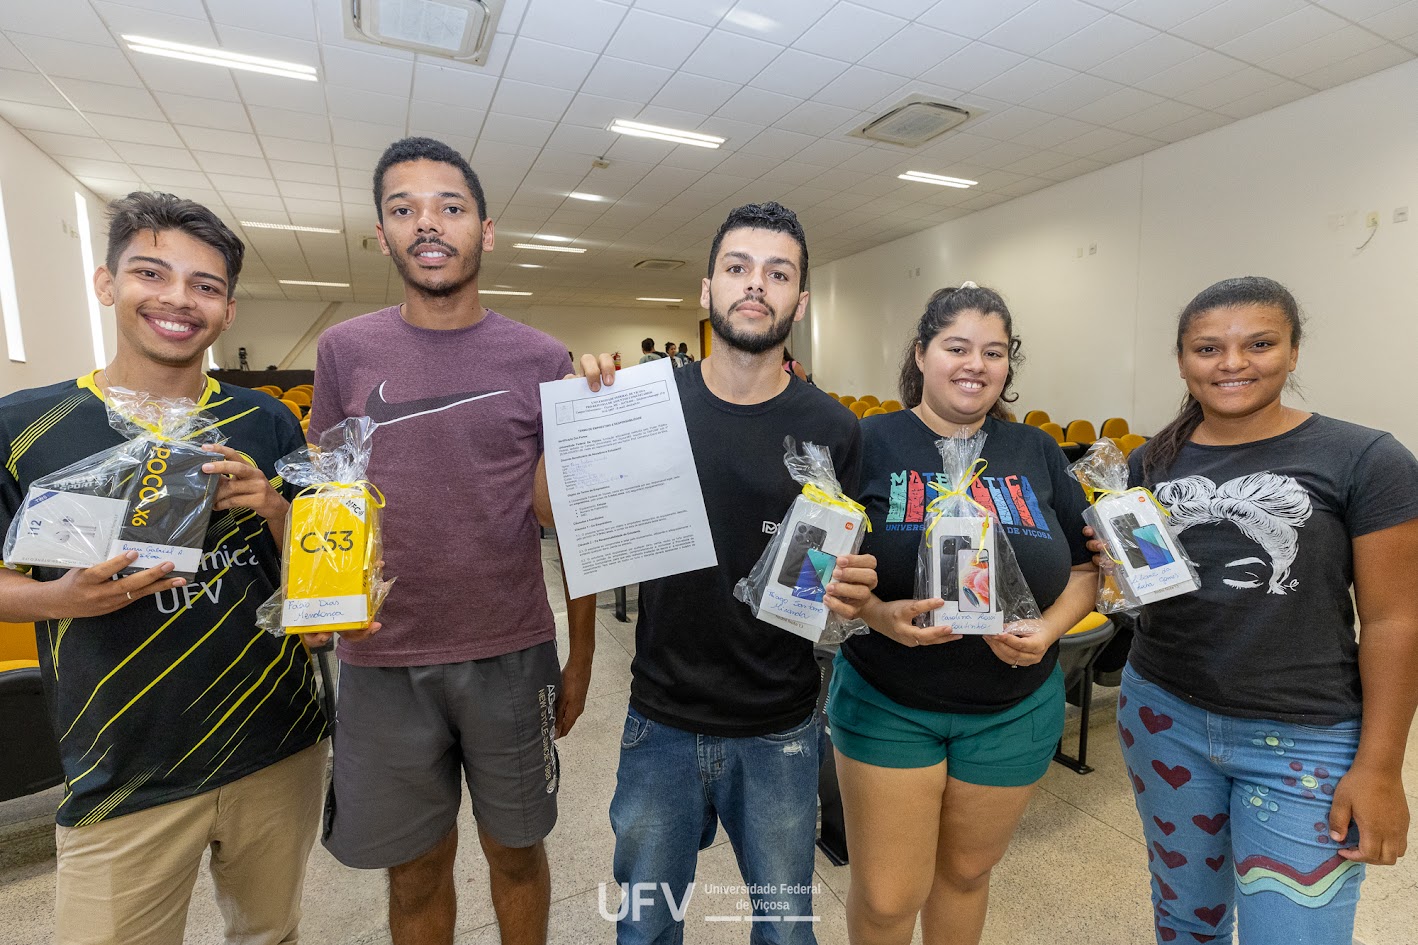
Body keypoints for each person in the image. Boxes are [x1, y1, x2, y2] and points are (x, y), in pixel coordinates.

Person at [0, 192, 329, 945]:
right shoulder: (24, 427)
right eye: (153, 273)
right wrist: (61, 597)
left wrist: (278, 508)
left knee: (270, 933)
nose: (179, 299)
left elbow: (316, 575)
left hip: (277, 743)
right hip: (123, 765)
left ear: (228, 310)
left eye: (205, 285)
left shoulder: (265, 420)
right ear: (107, 282)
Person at [307, 137, 596, 945]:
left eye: (450, 207)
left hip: (509, 652)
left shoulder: (541, 357)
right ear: (382, 233)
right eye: (404, 209)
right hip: (382, 658)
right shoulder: (346, 350)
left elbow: (576, 518)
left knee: (516, 854)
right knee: (417, 869)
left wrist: (582, 654)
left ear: (486, 230)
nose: (427, 224)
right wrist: (324, 609)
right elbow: (333, 497)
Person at [576, 201, 877, 942]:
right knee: (645, 929)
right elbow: (562, 516)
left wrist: (857, 590)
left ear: (799, 302)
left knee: (785, 930)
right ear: (706, 288)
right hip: (661, 718)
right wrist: (582, 414)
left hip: (780, 726)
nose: (756, 285)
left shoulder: (835, 429)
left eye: (778, 274)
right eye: (738, 268)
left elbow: (853, 577)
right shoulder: (643, 403)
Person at [1098, 276, 1418, 944]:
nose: (1233, 363)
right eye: (1208, 348)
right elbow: (1148, 595)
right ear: (1183, 359)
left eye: (1260, 343)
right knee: (1187, 919)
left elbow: (1395, 619)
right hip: (1163, 716)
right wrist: (1113, 573)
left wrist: (1381, 766)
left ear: (1294, 351)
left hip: (1303, 734)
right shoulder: (1150, 459)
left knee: (1294, 931)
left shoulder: (1366, 458)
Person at [827, 284, 1098, 945]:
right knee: (889, 897)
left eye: (994, 351)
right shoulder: (866, 441)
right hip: (890, 698)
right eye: (956, 347)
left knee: (967, 873)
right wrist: (876, 612)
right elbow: (819, 575)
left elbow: (1090, 569)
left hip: (1014, 706)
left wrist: (1050, 628)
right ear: (922, 354)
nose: (975, 363)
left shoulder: (1035, 449)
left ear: (1008, 364)